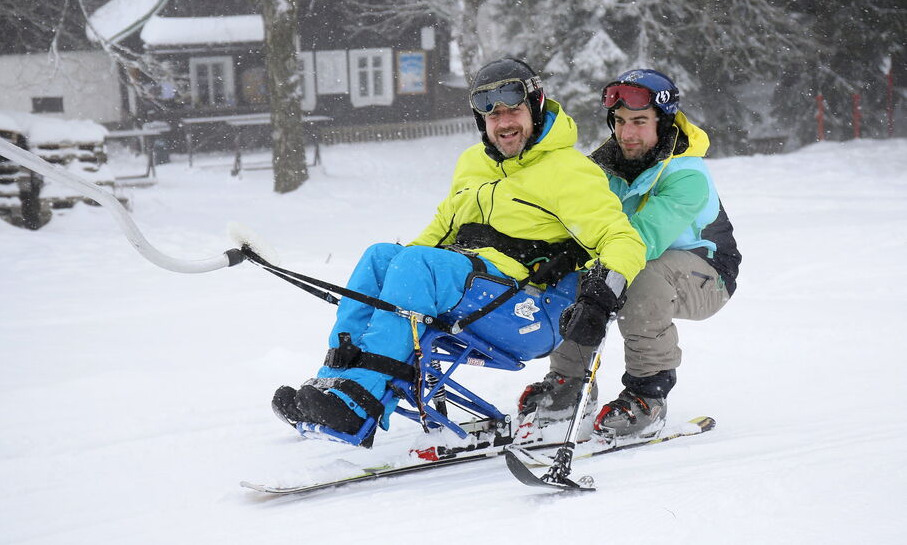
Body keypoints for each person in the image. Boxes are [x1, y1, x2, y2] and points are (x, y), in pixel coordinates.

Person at [272, 57, 646, 445]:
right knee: (380, 257)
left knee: (417, 264)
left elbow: (623, 239)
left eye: (514, 110)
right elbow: (434, 235)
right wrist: (396, 274)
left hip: (534, 309)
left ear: (535, 107)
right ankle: (336, 382)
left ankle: (361, 397)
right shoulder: (472, 164)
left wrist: (600, 298)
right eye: (493, 114)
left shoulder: (569, 170)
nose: (504, 123)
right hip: (478, 291)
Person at [519, 68, 741, 440]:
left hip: (707, 275)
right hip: (638, 258)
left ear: (662, 123)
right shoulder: (604, 166)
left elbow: (641, 240)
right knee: (577, 274)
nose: (627, 133)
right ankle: (568, 384)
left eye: (639, 122)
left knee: (637, 274)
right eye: (620, 121)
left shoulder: (687, 174)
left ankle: (647, 395)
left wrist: (596, 271)